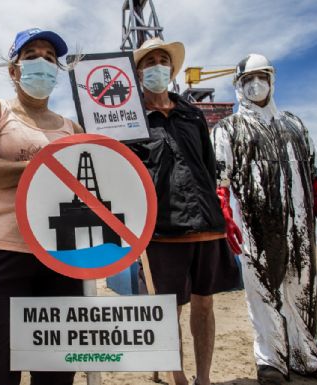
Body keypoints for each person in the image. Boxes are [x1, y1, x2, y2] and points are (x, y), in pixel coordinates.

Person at [211, 54, 317, 385]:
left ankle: (307, 356)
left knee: (304, 287)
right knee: (263, 291)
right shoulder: (229, 128)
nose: (255, 84)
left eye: (261, 76)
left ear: (272, 80)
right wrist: (226, 217)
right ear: (238, 86)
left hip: (300, 225)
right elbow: (220, 178)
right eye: (248, 79)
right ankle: (271, 361)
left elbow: (316, 171)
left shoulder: (295, 123)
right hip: (256, 226)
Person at [0, 28, 85, 385]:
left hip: (59, 258)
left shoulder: (73, 128)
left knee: (55, 373)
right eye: (32, 55)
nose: (42, 62)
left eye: (49, 57)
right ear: (14, 70)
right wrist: (41, 170)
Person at [127, 37, 240, 385]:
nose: (157, 66)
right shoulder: (129, 121)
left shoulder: (192, 114)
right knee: (166, 311)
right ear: (138, 72)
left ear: (172, 69)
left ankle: (203, 379)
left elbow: (206, 167)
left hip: (206, 225)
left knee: (204, 305)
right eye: (148, 62)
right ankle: (178, 379)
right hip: (162, 231)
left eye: (163, 60)